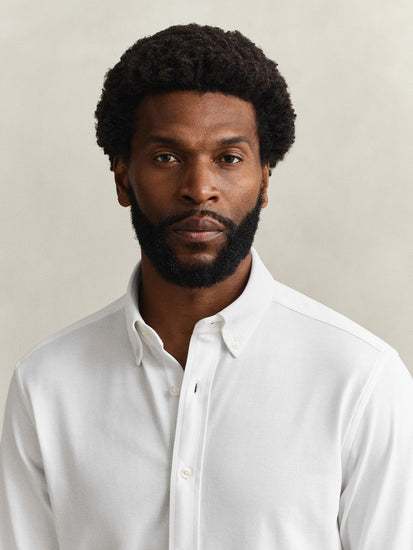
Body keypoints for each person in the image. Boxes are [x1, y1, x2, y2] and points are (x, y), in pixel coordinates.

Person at [0, 23, 412, 550]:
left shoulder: (361, 380)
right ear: (123, 177)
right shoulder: (46, 386)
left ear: (265, 179)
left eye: (228, 158)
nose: (199, 189)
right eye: (167, 157)